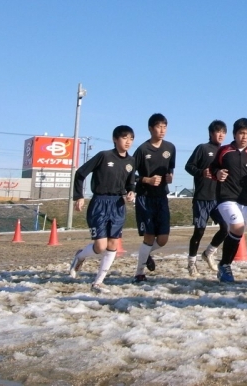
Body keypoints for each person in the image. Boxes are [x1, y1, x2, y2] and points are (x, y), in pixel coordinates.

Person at [68, 125, 137, 292]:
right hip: (99, 202)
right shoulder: (104, 156)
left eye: (131, 138)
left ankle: (98, 282)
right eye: (124, 138)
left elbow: (130, 183)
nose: (128, 142)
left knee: (113, 243)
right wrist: (79, 196)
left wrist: (131, 192)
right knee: (100, 246)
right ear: (115, 139)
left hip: (118, 205)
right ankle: (80, 256)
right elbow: (80, 173)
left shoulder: (131, 161)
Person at [209, 117, 247, 283]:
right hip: (225, 197)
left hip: (244, 199)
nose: (244, 136)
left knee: (238, 233)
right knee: (237, 225)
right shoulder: (224, 151)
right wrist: (218, 173)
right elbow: (213, 168)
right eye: (241, 133)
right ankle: (225, 265)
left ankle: (225, 265)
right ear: (234, 134)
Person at [133, 113, 176, 283]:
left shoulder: (170, 148)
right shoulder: (142, 150)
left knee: (163, 239)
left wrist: (170, 177)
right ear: (150, 129)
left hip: (162, 197)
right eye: (159, 127)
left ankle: (146, 253)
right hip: (145, 198)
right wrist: (146, 180)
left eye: (164, 127)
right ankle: (139, 272)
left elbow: (170, 169)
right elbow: (129, 174)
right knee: (149, 237)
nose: (162, 130)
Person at [184, 120, 228, 276]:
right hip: (202, 197)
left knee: (226, 228)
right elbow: (188, 166)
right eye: (218, 131)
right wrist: (201, 172)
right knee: (199, 231)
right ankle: (191, 263)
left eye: (223, 132)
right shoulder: (202, 148)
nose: (221, 135)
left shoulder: (225, 152)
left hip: (218, 198)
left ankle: (208, 253)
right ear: (211, 133)